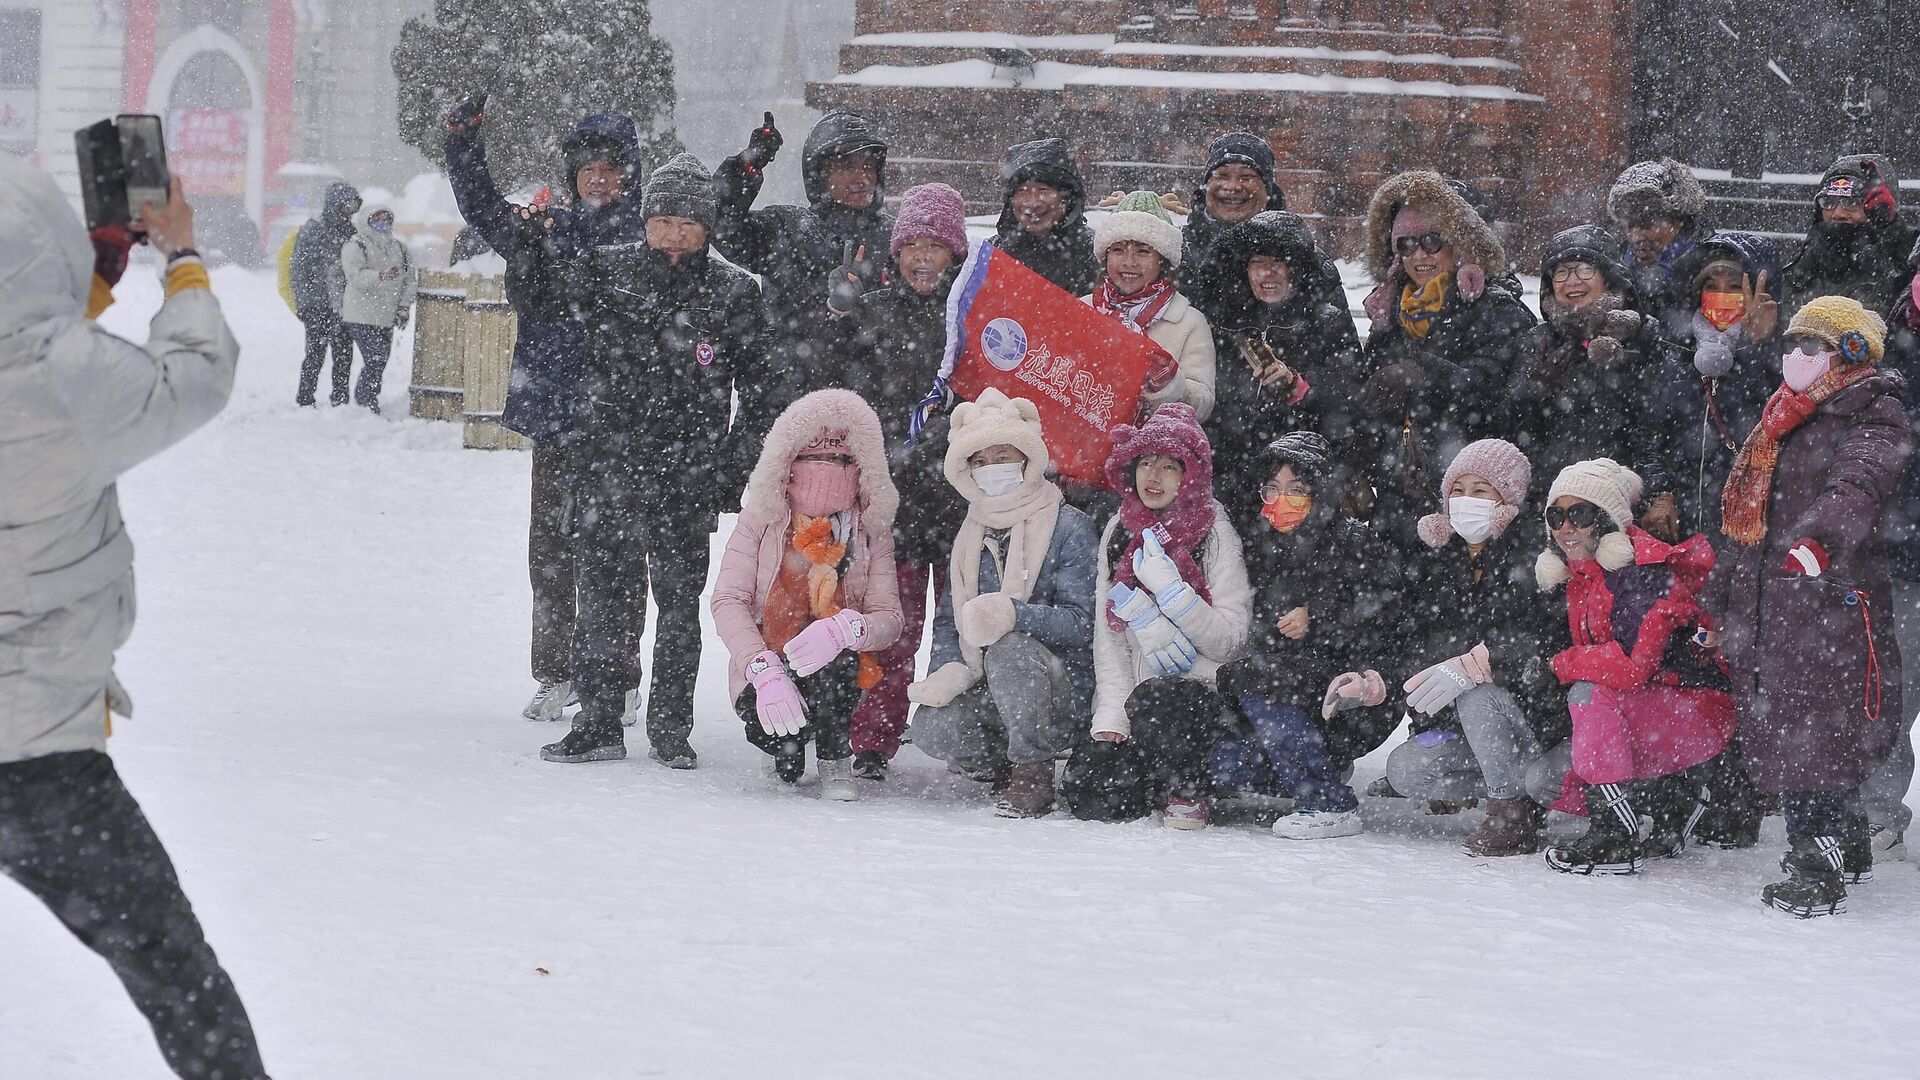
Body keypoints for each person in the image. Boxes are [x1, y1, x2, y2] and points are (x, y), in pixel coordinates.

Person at [1, 160, 269, 1078]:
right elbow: (194, 372)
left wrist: (96, 273)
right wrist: (179, 255)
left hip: (42, 751)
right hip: (40, 761)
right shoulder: (70, 382)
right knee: (172, 971)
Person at [519, 152, 775, 766]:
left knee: (678, 603)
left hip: (689, 475)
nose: (674, 234)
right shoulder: (608, 272)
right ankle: (600, 722)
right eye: (662, 220)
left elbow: (763, 391)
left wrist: (730, 469)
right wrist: (529, 240)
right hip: (608, 465)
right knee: (603, 594)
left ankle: (670, 727)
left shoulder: (734, 291)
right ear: (645, 220)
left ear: (708, 227)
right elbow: (539, 300)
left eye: (688, 222)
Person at [444, 97, 649, 724]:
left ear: (630, 173)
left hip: (621, 424)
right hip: (558, 420)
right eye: (586, 166)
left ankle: (619, 674)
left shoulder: (651, 232)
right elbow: (481, 208)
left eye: (610, 166)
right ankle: (557, 672)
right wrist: (462, 142)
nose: (597, 176)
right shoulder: (546, 227)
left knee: (620, 553)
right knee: (553, 550)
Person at [1712, 296, 1911, 916]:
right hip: (1774, 596)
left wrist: (1819, 541)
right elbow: (1749, 523)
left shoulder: (1875, 412)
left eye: (1811, 344)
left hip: (1830, 596)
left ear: (1850, 351)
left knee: (1815, 732)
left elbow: (1858, 483)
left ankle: (1813, 858)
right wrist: (1719, 599)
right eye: (1790, 342)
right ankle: (1846, 843)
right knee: (1792, 722)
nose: (1794, 354)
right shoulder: (1782, 415)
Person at [824, 182, 973, 780]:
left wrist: (952, 435)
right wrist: (836, 315)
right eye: (912, 244)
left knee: (966, 621)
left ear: (955, 254)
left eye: (936, 246)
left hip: (962, 497)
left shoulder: (973, 316)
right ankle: (873, 739)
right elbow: (844, 390)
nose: (922, 257)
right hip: (897, 499)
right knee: (891, 625)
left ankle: (967, 738)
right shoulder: (875, 312)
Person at [1535, 459, 1736, 876]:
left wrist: (1560, 663)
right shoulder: (1580, 576)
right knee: (1544, 782)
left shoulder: (1642, 572)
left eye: (1580, 514)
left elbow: (1631, 667)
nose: (1566, 527)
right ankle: (1672, 798)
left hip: (1697, 712)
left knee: (1586, 693)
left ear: (1606, 522)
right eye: (1556, 515)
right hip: (1647, 709)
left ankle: (1615, 836)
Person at [909, 389, 1099, 817]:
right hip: (990, 685)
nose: (991, 468)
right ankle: (1000, 761)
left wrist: (1015, 616)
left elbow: (1084, 623)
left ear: (1026, 459)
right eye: (979, 461)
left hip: (1061, 686)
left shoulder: (1069, 526)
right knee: (931, 728)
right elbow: (948, 620)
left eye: (1002, 456)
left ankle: (1033, 771)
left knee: (1010, 648)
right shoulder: (970, 533)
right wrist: (947, 670)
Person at [1379, 440, 1571, 855]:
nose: (1466, 500)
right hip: (1468, 728)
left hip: (1533, 716)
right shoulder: (1438, 559)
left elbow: (1545, 638)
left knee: (1478, 692)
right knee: (1407, 770)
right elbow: (1415, 638)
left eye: (1481, 490)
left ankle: (1511, 809)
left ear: (1508, 498)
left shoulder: (1537, 555)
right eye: (1458, 489)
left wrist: (1482, 662)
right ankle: (1522, 786)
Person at [711, 389, 905, 799]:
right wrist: (762, 669)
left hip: (836, 665)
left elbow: (888, 616)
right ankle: (787, 743)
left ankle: (835, 755)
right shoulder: (761, 519)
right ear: (788, 463)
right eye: (812, 458)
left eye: (839, 461)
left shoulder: (869, 530)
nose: (826, 470)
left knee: (839, 668)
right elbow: (728, 599)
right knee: (784, 750)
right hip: (768, 658)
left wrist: (847, 629)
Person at [1210, 432, 1400, 839]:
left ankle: (1328, 800)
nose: (1282, 499)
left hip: (1349, 690)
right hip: (1282, 688)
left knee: (1258, 677)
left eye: (1297, 489)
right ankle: (1318, 764)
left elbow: (1384, 624)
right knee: (1223, 764)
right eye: (1273, 488)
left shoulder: (1355, 543)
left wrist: (1320, 617)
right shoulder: (1262, 545)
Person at [1074, 404, 1253, 828]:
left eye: (1170, 466)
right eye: (1146, 462)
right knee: (1090, 793)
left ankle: (1191, 787)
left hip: (1200, 698)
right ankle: (1154, 772)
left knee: (1166, 699)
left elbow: (1231, 641)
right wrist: (1112, 717)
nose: (1153, 477)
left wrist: (1176, 598)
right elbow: (1110, 637)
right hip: (1140, 701)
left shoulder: (1213, 532)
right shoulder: (1120, 529)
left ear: (1191, 473)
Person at [1354, 170, 1536, 540]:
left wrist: (1421, 371)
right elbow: (1365, 408)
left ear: (1462, 245)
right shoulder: (1388, 312)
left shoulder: (1498, 310)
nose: (1418, 254)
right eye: (1405, 244)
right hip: (1399, 497)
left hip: (1472, 502)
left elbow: (1496, 399)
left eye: (1432, 240)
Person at [712, 108, 896, 403]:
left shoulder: (897, 239)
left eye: (867, 166)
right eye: (847, 166)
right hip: (788, 405)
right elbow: (722, 225)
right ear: (819, 175)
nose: (861, 177)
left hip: (871, 411)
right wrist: (746, 167)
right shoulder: (786, 228)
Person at [1196, 209, 1362, 512]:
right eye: (1258, 262)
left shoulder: (1327, 322)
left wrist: (1299, 390)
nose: (1267, 273)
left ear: (1296, 268)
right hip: (1227, 474)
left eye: (1278, 262)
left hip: (1298, 483)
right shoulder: (1223, 321)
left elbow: (1349, 400)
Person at [1507, 224, 1677, 493]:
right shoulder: (1538, 341)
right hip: (1552, 494)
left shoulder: (1643, 335)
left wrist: (1655, 492)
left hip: (1621, 492)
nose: (1572, 281)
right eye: (1561, 272)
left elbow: (1661, 427)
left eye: (1585, 269)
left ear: (1608, 277)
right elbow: (1512, 430)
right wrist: (1533, 393)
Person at [1085, 191, 1217, 421]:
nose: (1129, 262)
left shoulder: (1188, 322)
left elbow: (1204, 405)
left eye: (1142, 252)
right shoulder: (1083, 309)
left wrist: (1171, 385)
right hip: (1083, 444)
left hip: (1153, 452)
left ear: (1162, 261)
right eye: (1118, 250)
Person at [1781, 156, 1915, 321]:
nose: (1838, 214)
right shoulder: (1799, 272)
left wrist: (1892, 227)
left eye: (1852, 202)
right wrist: (1763, 337)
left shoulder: (1902, 270)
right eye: (1828, 202)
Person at [1178, 131, 1288, 302]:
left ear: (1267, 190)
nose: (1233, 186)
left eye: (1246, 177)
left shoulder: (1298, 256)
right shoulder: (1174, 252)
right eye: (1222, 175)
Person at [1607, 157, 1714, 332]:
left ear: (1678, 218)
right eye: (1629, 226)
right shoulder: (1616, 264)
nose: (1636, 236)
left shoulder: (1713, 267)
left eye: (1646, 224)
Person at [338, 204, 417, 414]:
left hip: (386, 316)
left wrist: (403, 307)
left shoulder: (399, 249)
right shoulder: (356, 246)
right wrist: (379, 276)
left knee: (380, 360)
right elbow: (355, 276)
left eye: (386, 219)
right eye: (377, 219)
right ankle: (365, 400)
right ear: (367, 221)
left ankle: (369, 398)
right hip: (360, 315)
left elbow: (409, 280)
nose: (383, 223)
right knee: (375, 360)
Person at [992, 137, 1096, 296]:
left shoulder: (1096, 254)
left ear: (1067, 198)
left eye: (1043, 190)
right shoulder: (993, 254)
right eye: (1022, 191)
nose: (1033, 203)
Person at [290, 178, 361, 406]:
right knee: (315, 354)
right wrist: (305, 305)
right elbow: (299, 271)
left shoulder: (352, 232)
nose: (350, 210)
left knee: (343, 354)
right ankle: (305, 397)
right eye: (347, 204)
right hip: (317, 305)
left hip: (342, 305)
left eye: (353, 205)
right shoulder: (313, 230)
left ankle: (340, 397)